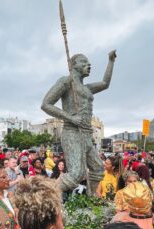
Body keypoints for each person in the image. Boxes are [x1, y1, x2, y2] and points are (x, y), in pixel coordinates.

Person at [41, 50, 117, 194]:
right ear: (72, 65)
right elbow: (46, 104)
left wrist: (111, 61)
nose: (88, 65)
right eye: (83, 62)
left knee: (97, 168)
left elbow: (105, 83)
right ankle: (46, 199)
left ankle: (90, 198)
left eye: (88, 63)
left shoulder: (87, 88)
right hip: (72, 133)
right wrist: (70, 118)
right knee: (76, 174)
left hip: (87, 134)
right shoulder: (66, 81)